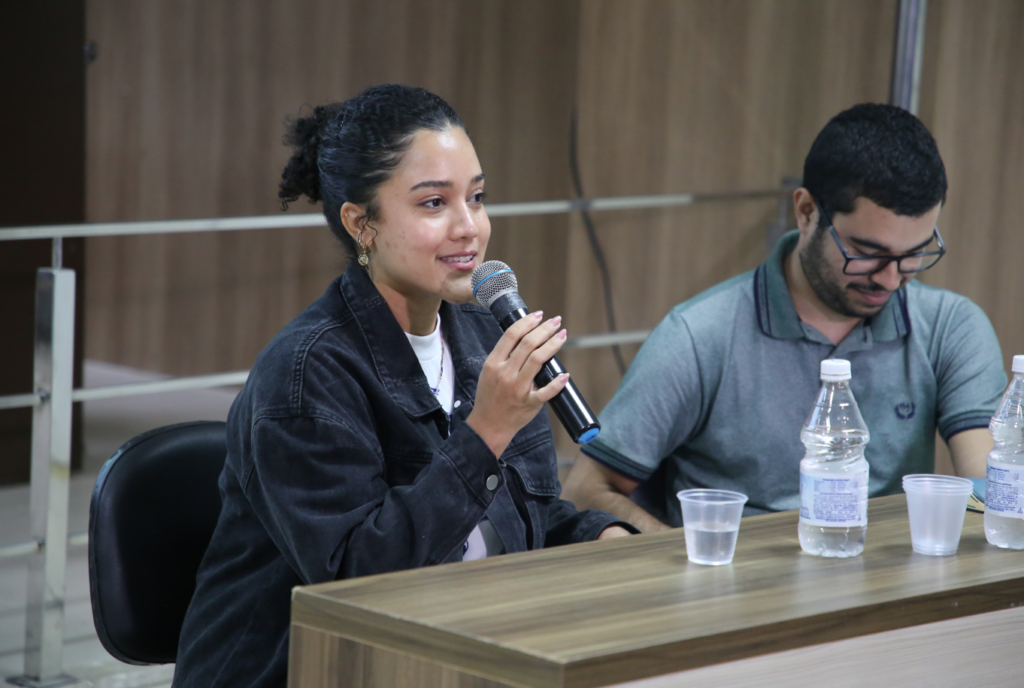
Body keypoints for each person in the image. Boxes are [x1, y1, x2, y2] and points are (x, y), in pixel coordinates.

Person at [171, 85, 633, 688]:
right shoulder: (306, 373)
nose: (469, 227)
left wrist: (602, 536)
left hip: (455, 652)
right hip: (313, 669)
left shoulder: (480, 337)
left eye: (477, 197)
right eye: (434, 203)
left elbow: (519, 519)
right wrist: (486, 430)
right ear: (361, 224)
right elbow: (359, 583)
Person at [563, 103, 1007, 533]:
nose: (891, 279)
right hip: (737, 577)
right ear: (807, 212)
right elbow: (585, 491)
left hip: (886, 573)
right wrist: (688, 561)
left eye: (913, 254)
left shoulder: (950, 327)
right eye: (867, 253)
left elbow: (991, 483)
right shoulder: (700, 336)